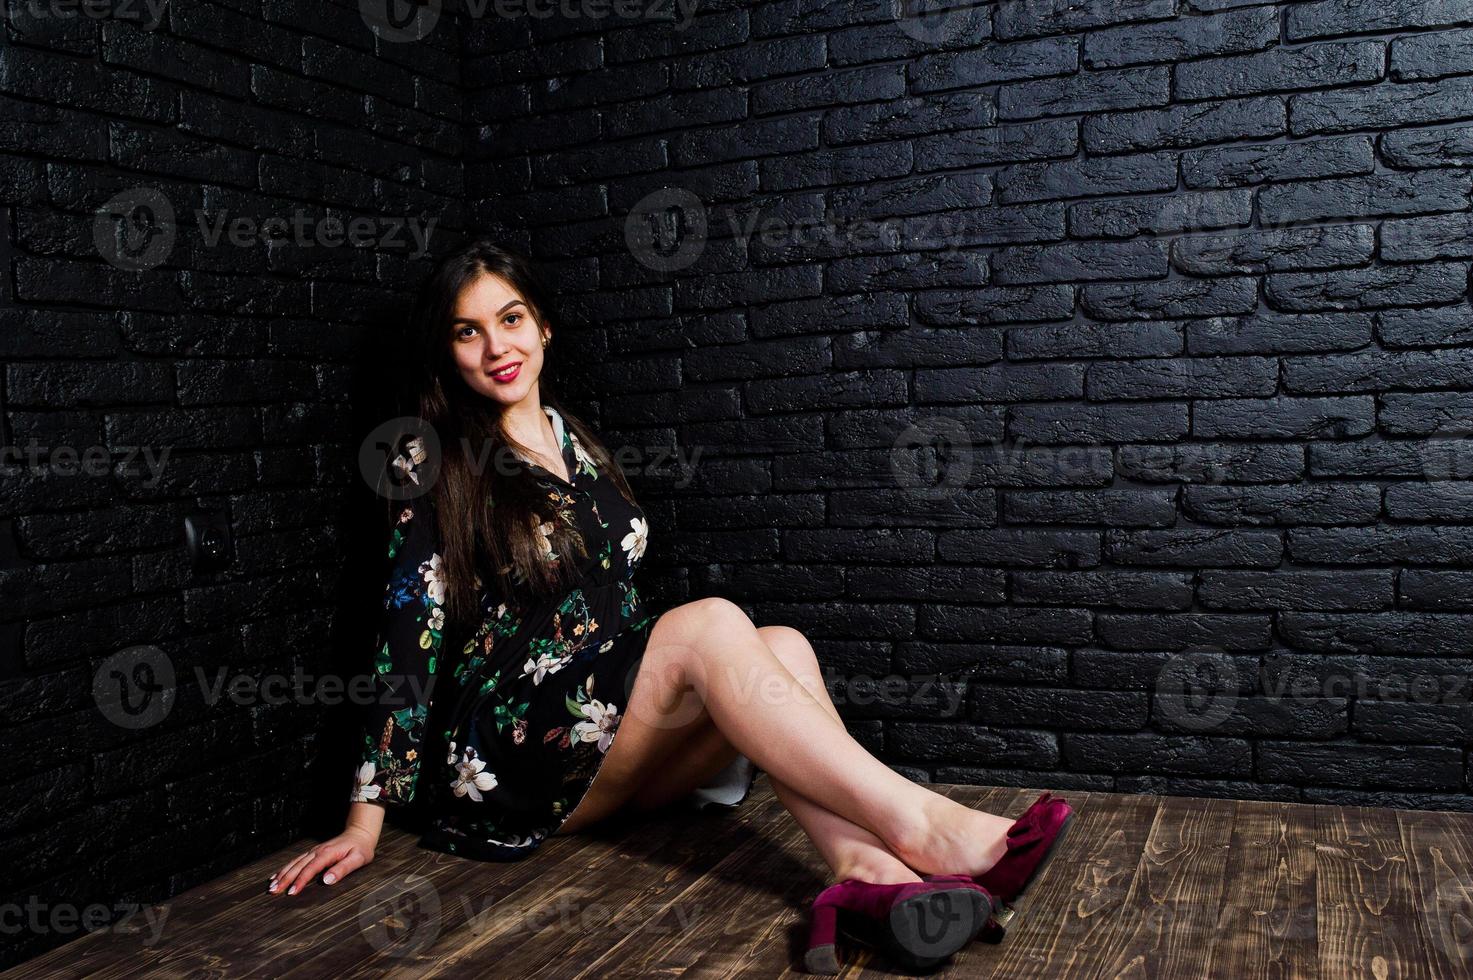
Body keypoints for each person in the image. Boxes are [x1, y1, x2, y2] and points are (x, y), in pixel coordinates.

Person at [267, 239, 1073, 973]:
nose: (495, 347)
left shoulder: (573, 438)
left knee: (783, 645)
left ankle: (863, 877)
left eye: (509, 319)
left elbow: (612, 608)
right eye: (466, 331)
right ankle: (934, 831)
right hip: (504, 753)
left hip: (600, 733)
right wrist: (363, 820)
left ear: (542, 325)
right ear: (445, 353)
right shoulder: (433, 457)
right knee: (712, 624)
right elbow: (406, 632)